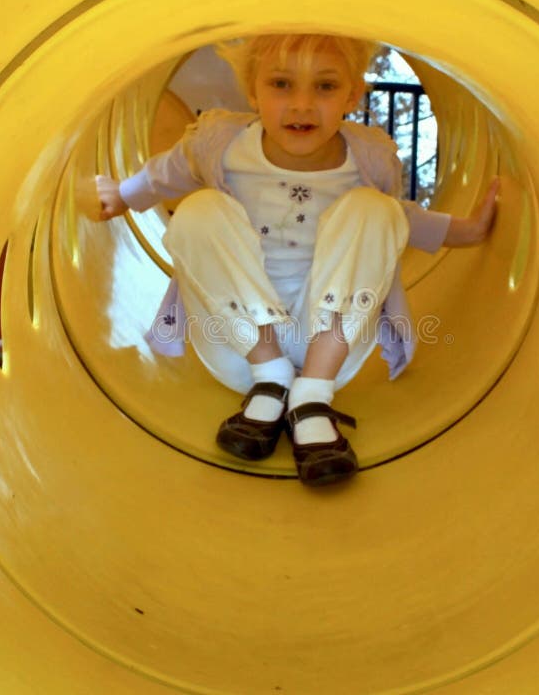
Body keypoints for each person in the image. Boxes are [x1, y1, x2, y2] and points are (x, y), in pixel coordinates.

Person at [96, 33, 498, 486]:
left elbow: (395, 223)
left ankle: (310, 396)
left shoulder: (365, 158)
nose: (302, 104)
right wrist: (123, 195)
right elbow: (171, 170)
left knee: (375, 208)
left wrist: (469, 231)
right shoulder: (223, 144)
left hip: (331, 343)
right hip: (239, 346)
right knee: (199, 210)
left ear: (353, 93)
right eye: (282, 84)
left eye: (324, 87)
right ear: (252, 90)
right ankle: (271, 376)